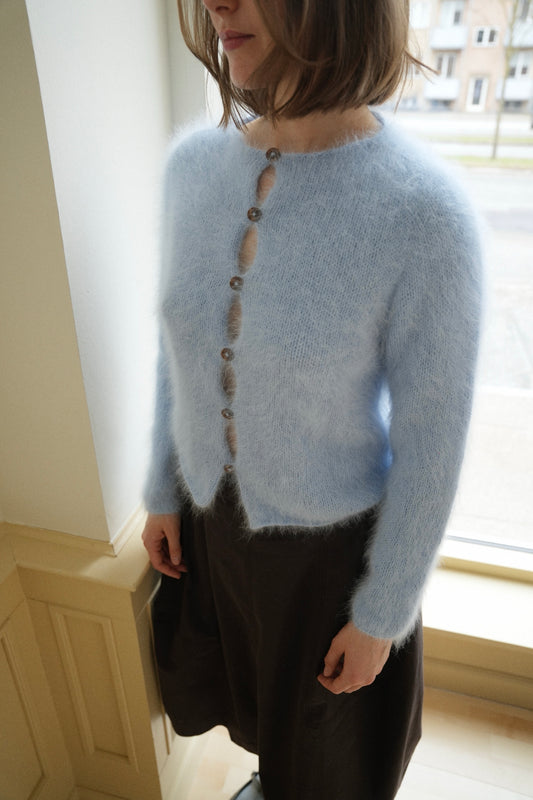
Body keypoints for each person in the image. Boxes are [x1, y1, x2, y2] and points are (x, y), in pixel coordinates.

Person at [141, 1, 483, 798]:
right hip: (213, 532)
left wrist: (382, 614)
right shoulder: (191, 169)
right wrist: (162, 490)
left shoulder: (422, 213)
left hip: (328, 565)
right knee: (262, 721)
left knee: (326, 764)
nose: (217, 3)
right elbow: (178, 351)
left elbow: (433, 444)